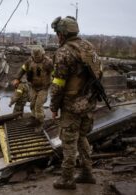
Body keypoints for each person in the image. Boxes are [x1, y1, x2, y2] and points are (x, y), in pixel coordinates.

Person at [50, 16, 102, 189]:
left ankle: (66, 179)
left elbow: (58, 84)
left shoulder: (64, 52)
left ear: (63, 34)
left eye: (58, 33)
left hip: (71, 105)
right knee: (82, 137)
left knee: (69, 141)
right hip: (89, 103)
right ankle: (87, 173)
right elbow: (98, 73)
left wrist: (54, 107)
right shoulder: (89, 47)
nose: (57, 37)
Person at [12, 47, 53, 132]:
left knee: (38, 105)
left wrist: (57, 86)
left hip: (44, 88)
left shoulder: (48, 62)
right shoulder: (29, 61)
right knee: (32, 104)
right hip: (33, 87)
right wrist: (17, 78)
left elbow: (56, 74)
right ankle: (34, 119)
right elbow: (22, 70)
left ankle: (40, 123)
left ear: (42, 54)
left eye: (38, 57)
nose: (36, 59)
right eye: (35, 57)